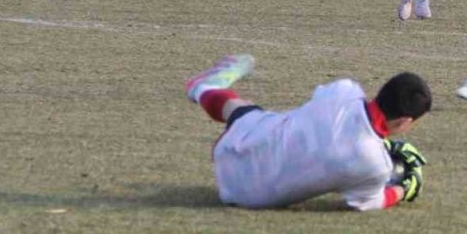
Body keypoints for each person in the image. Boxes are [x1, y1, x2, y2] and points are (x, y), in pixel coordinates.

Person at [184, 54, 432, 211]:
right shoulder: (376, 167)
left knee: (244, 110)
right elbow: (373, 201)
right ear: (404, 121)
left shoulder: (344, 90)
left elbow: (328, 126)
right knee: (253, 115)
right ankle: (205, 88)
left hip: (229, 147)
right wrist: (404, 189)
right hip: (239, 196)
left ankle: (203, 89)